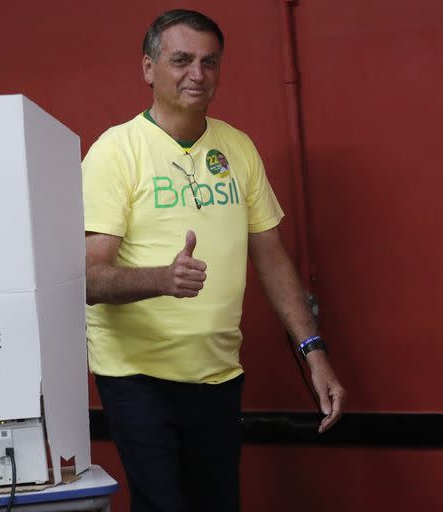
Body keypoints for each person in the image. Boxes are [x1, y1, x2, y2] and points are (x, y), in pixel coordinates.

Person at [82, 9, 345, 512]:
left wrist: (315, 353)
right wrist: (163, 278)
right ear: (148, 68)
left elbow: (272, 259)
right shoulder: (115, 152)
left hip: (218, 374)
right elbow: (88, 278)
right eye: (181, 60)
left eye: (209, 62)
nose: (197, 74)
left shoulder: (238, 148)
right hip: (138, 376)